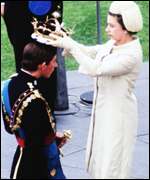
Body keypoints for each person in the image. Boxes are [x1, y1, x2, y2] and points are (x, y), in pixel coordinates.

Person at [46, 1, 143, 179]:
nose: (107, 29)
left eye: (112, 26)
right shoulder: (114, 44)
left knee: (112, 164)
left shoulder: (131, 54)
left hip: (118, 115)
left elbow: (95, 69)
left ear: (126, 28)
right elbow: (91, 51)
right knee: (99, 157)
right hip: (104, 110)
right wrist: (66, 41)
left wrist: (71, 46)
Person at [2, 42, 67, 179]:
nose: (56, 66)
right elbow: (36, 143)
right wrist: (51, 138)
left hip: (21, 157)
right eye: (54, 62)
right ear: (42, 66)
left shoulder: (9, 85)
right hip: (36, 165)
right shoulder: (35, 100)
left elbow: (10, 127)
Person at [1, 1, 63, 115]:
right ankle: (26, 111)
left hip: (47, 8)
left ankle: (47, 116)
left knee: (47, 58)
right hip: (18, 10)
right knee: (24, 59)